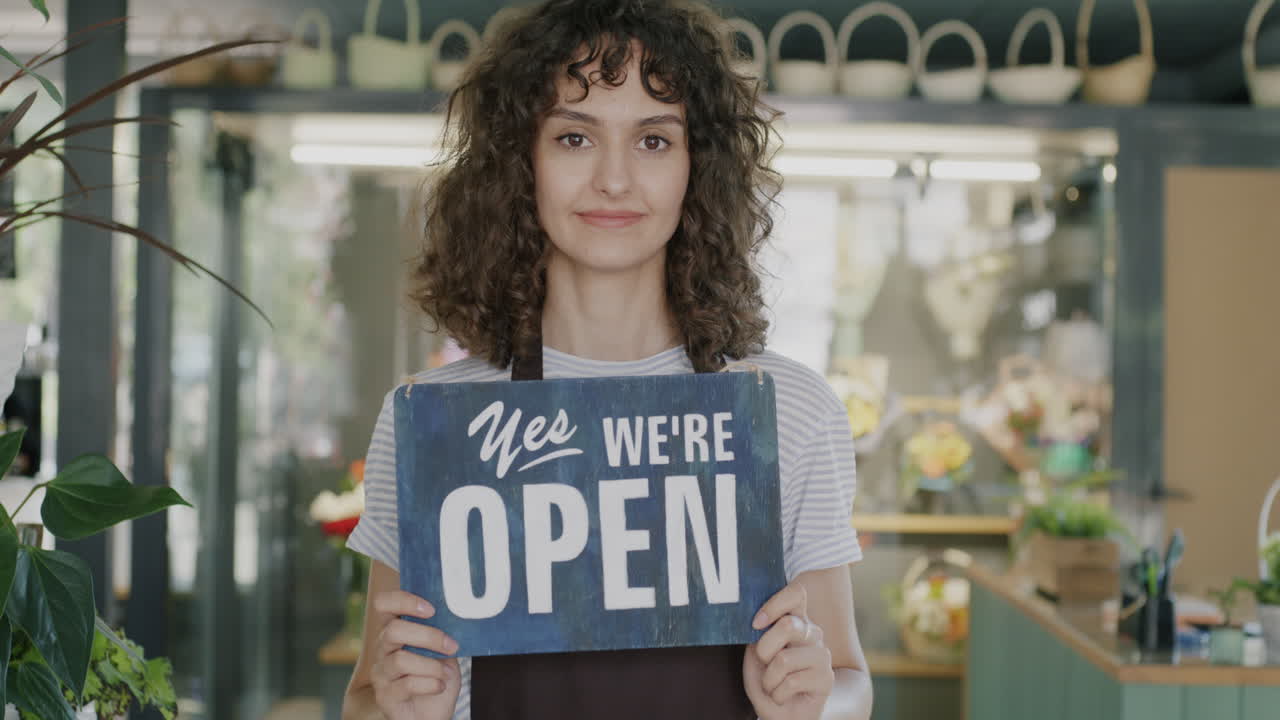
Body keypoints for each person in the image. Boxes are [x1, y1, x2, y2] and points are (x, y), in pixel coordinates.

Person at [342, 1, 872, 718]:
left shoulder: (787, 409)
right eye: (573, 138)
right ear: (518, 160)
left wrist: (810, 702)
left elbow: (849, 683)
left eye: (654, 141)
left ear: (698, 165)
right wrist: (409, 710)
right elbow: (366, 703)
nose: (615, 181)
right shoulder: (440, 427)